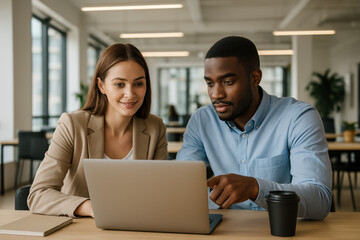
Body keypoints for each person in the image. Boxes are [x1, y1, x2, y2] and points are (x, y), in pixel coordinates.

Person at [176, 36, 332, 220]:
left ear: (255, 78)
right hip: (222, 229)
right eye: (210, 83)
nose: (215, 94)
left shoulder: (298, 117)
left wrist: (255, 188)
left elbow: (320, 200)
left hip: (278, 230)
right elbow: (181, 182)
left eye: (227, 82)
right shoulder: (202, 120)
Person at [28, 43, 168, 218]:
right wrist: (90, 207)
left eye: (138, 83)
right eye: (119, 84)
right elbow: (39, 194)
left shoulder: (156, 128)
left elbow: (159, 193)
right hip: (83, 230)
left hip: (135, 225)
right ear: (101, 86)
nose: (130, 93)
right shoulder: (72, 125)